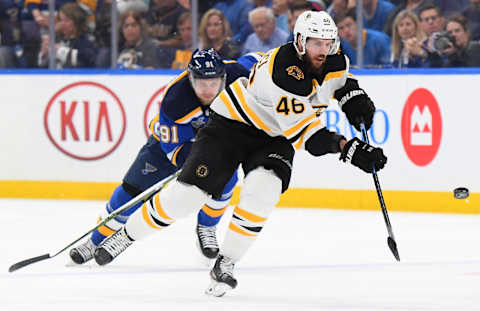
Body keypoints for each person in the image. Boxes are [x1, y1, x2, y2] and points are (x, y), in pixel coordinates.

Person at [94, 10, 387, 297]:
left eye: (327, 43)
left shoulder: (335, 59)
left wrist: (354, 97)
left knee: (265, 190)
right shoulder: (284, 72)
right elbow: (309, 137)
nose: (322, 50)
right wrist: (350, 150)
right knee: (188, 196)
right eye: (315, 43)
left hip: (274, 138)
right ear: (299, 41)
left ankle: (227, 262)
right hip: (233, 126)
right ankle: (127, 235)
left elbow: (339, 81)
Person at [69, 49, 251, 265]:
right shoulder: (176, 100)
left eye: (213, 83)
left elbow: (261, 60)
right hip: (166, 148)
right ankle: (94, 241)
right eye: (201, 83)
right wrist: (197, 164)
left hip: (212, 143)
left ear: (223, 76)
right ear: (191, 78)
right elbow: (175, 150)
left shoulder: (239, 75)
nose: (208, 90)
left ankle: (207, 228)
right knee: (131, 191)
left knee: (227, 181)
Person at [38, 2, 96, 68]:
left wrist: (60, 51)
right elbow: (42, 68)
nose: (62, 24)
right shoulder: (57, 39)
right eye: (60, 20)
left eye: (66, 20)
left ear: (77, 21)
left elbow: (86, 61)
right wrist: (44, 53)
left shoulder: (86, 41)